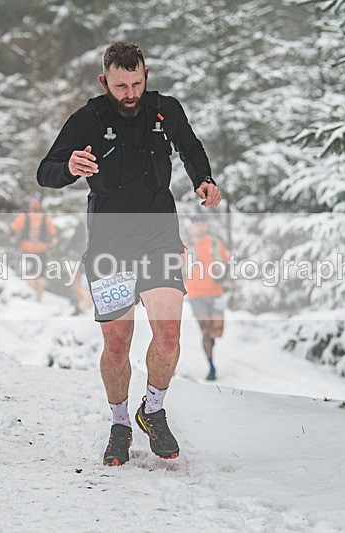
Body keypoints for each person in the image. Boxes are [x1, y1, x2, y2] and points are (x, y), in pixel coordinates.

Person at [37, 41, 221, 466]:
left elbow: (191, 150)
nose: (130, 93)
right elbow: (45, 171)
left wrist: (204, 179)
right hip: (109, 246)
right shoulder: (87, 119)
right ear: (105, 82)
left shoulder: (165, 111)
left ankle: (152, 411)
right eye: (120, 85)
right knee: (118, 345)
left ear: (146, 75)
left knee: (169, 335)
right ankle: (120, 422)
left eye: (136, 82)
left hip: (159, 235)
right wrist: (69, 168)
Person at [184, 214, 230, 381]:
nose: (200, 227)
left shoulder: (215, 244)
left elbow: (227, 264)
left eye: (202, 224)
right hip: (196, 295)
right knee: (205, 330)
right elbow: (176, 268)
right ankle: (211, 365)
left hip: (216, 294)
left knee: (217, 330)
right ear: (191, 228)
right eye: (196, 224)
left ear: (206, 226)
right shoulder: (185, 246)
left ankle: (211, 339)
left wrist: (223, 276)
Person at [11, 194, 57, 302]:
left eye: (36, 201)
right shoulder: (24, 216)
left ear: (40, 203)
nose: (34, 204)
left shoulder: (46, 218)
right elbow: (13, 229)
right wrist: (13, 237)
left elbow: (53, 233)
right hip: (26, 250)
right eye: (32, 201)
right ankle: (28, 299)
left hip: (41, 251)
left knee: (40, 276)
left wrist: (53, 240)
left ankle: (38, 300)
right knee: (28, 275)